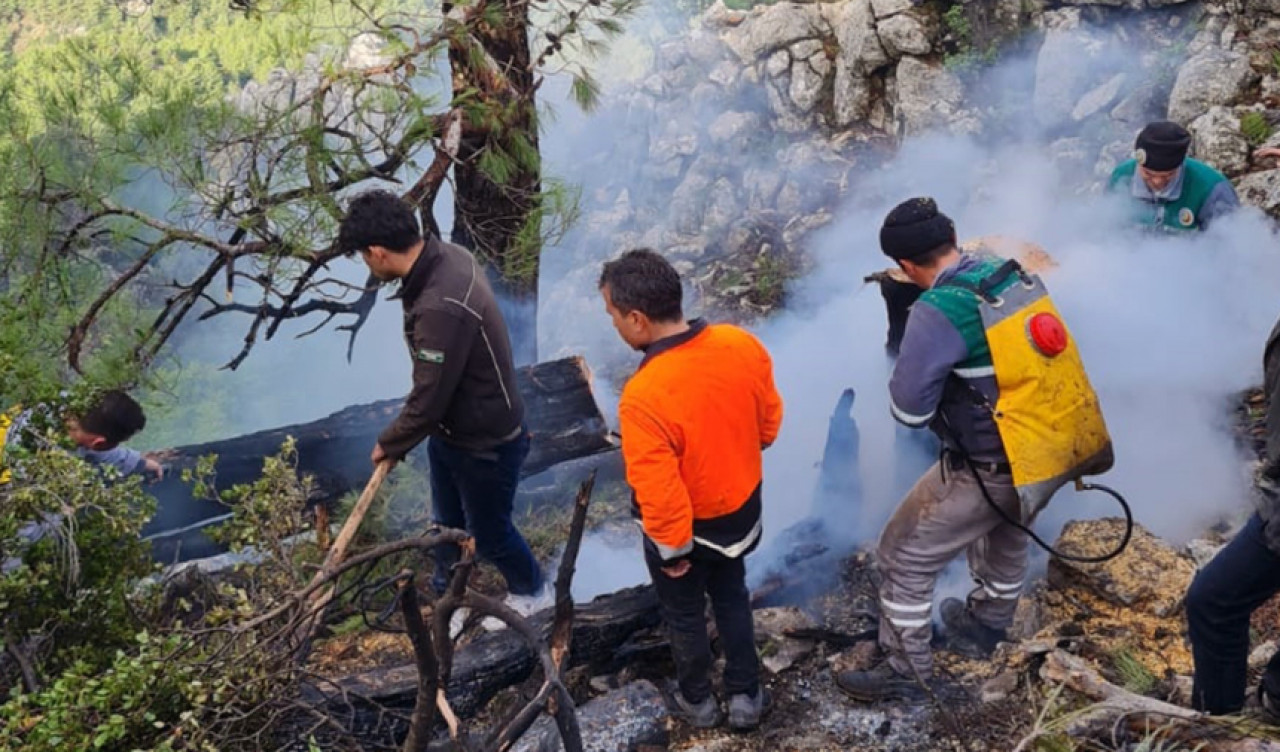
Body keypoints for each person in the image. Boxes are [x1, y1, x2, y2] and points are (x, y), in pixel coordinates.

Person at [836, 198, 1028, 702]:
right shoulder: (1009, 275)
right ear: (953, 238)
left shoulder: (936, 310)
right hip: (1049, 449)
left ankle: (907, 671)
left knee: (901, 553)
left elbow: (909, 412)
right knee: (1006, 529)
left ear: (903, 267)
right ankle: (989, 626)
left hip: (991, 460)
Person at [338, 189, 547, 613]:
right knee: (444, 527)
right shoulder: (449, 256)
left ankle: (534, 595)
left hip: (485, 440)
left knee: (491, 535)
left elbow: (429, 399)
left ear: (377, 252)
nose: (367, 263)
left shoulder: (438, 304)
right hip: (454, 432)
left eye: (363, 255)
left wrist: (390, 442)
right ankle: (450, 597)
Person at [599, 248, 782, 731]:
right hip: (741, 516)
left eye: (613, 315)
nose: (613, 326)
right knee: (731, 596)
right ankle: (745, 693)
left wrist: (672, 549)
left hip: (686, 531)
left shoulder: (644, 396)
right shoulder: (740, 344)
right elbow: (768, 428)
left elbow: (658, 491)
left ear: (637, 319)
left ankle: (698, 700)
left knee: (683, 613)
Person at [1107, 120, 1240, 232]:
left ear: (1180, 164)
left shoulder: (1213, 190)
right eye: (1148, 174)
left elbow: (1226, 248)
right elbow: (1109, 230)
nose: (1157, 181)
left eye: (1167, 175)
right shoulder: (1121, 177)